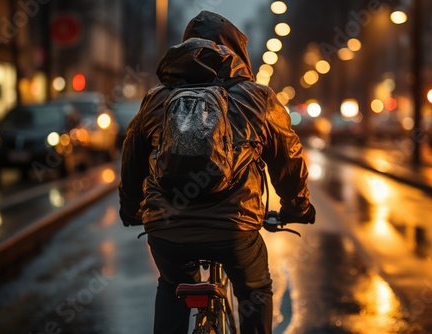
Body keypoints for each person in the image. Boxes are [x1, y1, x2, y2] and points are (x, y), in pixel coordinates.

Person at [119, 10, 316, 334]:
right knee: (254, 290)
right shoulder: (258, 98)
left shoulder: (156, 99)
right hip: (235, 230)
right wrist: (297, 207)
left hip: (168, 231)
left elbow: (132, 160)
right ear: (236, 52)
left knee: (172, 285)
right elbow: (288, 158)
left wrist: (132, 209)